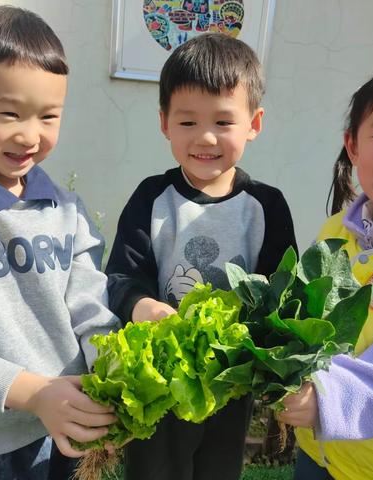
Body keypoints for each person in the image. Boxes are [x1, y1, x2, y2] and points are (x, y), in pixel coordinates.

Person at [106, 33, 297, 480]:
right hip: (159, 380)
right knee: (153, 471)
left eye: (224, 122)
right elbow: (121, 276)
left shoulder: (266, 206)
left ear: (254, 123)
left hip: (230, 385)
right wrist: (142, 306)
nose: (205, 137)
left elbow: (280, 294)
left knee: (217, 470)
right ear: (164, 122)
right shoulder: (152, 197)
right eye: (188, 122)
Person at [0, 6, 119, 479]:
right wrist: (37, 394)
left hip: (57, 432)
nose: (30, 135)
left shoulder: (67, 210)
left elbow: (90, 309)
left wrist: (115, 368)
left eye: (48, 116)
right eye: (9, 113)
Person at [278, 65, 373, 480]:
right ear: (353, 146)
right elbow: (300, 320)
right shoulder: (334, 232)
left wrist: (328, 397)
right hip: (319, 452)